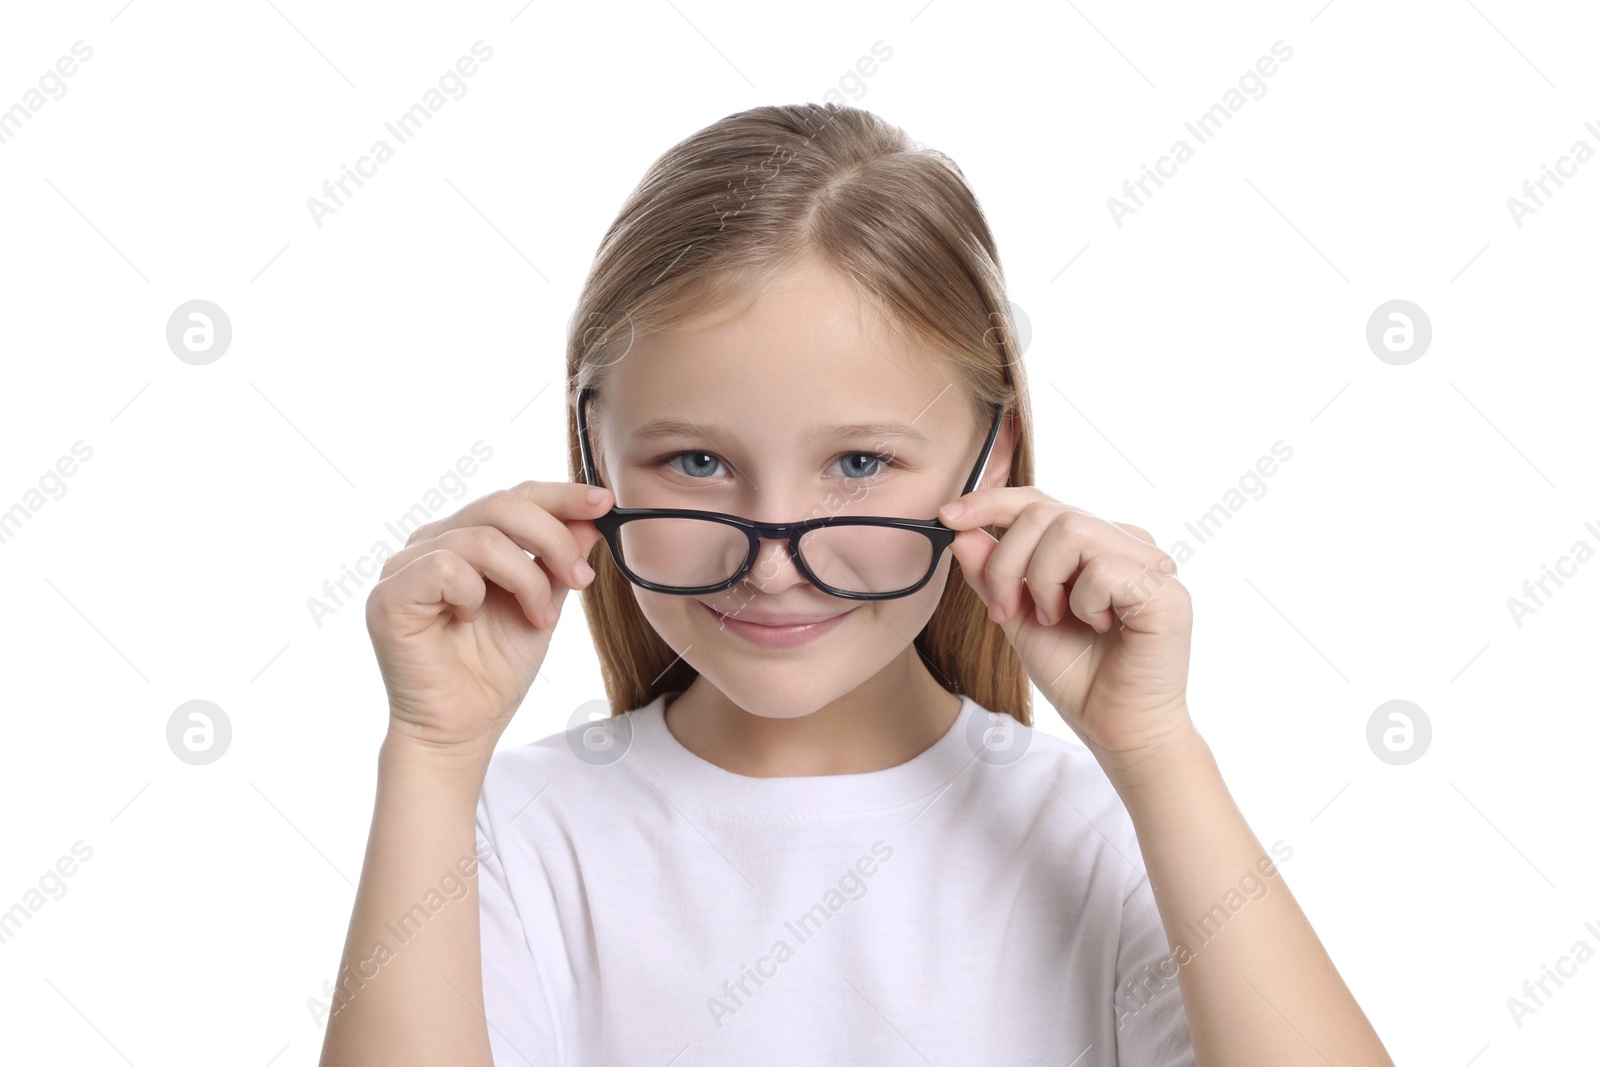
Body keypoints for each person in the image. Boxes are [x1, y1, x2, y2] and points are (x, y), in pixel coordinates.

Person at [319, 103, 1394, 1066]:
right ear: (592, 453)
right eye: (695, 461)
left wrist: (1159, 754)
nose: (777, 561)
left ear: (994, 463)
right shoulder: (506, 830)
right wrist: (430, 755)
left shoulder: (1107, 827)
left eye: (861, 464)